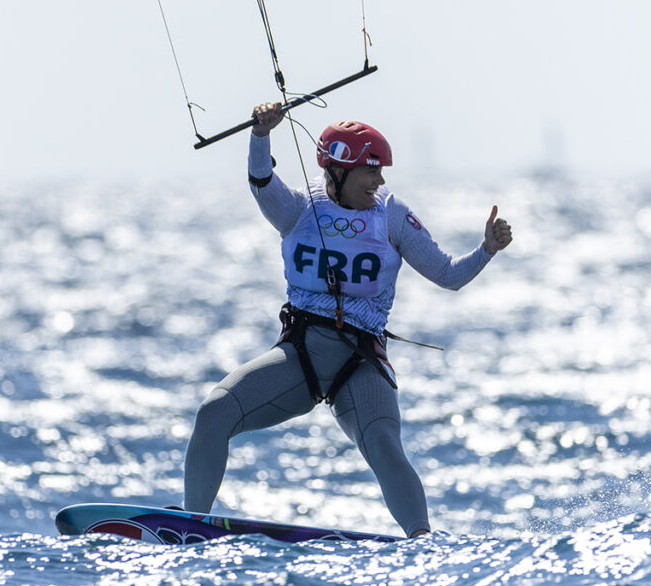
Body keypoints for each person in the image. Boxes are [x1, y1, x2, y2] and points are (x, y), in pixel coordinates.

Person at [181, 102, 513, 537]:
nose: (380, 181)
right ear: (337, 171)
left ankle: (422, 542)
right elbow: (260, 180)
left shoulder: (392, 215)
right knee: (214, 412)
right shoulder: (298, 209)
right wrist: (260, 135)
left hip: (360, 362)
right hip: (299, 357)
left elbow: (448, 276)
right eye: (371, 171)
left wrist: (486, 249)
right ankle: (188, 527)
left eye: (381, 172)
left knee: (385, 447)